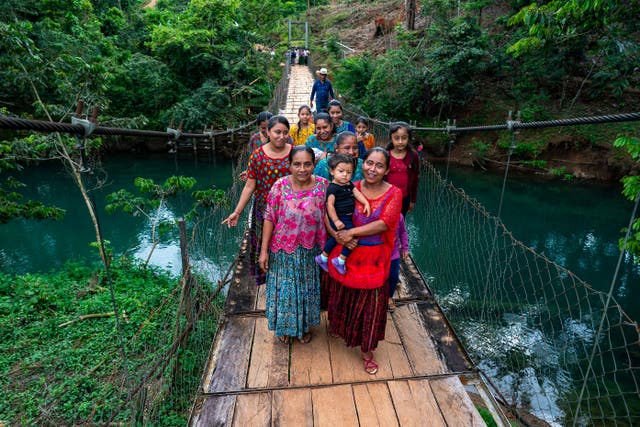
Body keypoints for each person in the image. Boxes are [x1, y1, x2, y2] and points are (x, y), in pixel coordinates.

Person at [326, 147, 402, 375]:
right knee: (344, 295)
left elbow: (384, 223)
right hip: (346, 253)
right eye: (369, 163)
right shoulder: (349, 186)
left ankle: (367, 351)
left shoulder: (394, 193)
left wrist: (352, 233)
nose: (373, 169)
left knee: (372, 304)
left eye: (379, 165)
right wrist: (339, 235)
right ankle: (341, 328)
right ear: (363, 164)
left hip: (375, 258)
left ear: (387, 169)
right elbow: (328, 213)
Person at [259, 146, 328, 344]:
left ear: (314, 165)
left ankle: (303, 327)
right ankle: (285, 328)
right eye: (297, 164)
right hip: (283, 251)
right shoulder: (279, 186)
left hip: (311, 250)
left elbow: (331, 215)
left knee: (306, 291)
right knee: (285, 292)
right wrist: (263, 252)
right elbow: (269, 218)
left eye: (307, 164)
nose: (302, 169)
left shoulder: (323, 186)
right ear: (289, 165)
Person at [222, 116, 293, 286]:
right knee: (263, 245)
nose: (281, 136)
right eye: (277, 132)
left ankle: (286, 279)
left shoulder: (294, 152)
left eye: (285, 132)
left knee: (288, 246)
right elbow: (249, 186)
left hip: (290, 209)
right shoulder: (257, 156)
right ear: (267, 132)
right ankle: (267, 280)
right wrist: (237, 212)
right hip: (263, 209)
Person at [315, 154, 371, 275]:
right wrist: (336, 221)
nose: (345, 175)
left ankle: (323, 257)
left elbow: (357, 194)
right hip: (340, 218)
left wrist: (365, 202)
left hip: (347, 217)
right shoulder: (332, 188)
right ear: (332, 171)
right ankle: (340, 260)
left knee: (337, 239)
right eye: (341, 171)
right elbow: (329, 206)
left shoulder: (349, 184)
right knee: (353, 235)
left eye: (349, 172)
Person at [385, 122, 420, 215]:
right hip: (387, 197)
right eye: (396, 138)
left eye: (404, 138)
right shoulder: (385, 155)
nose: (400, 141)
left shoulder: (413, 156)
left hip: (404, 198)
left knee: (400, 221)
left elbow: (415, 178)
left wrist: (413, 200)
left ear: (408, 138)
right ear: (391, 139)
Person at [387, 213, 409, 312]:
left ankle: (389, 297)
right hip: (379, 252)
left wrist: (405, 248)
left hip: (394, 252)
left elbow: (403, 232)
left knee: (394, 276)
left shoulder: (399, 216)